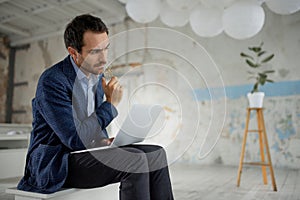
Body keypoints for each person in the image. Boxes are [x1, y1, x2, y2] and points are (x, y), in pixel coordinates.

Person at [17, 14, 174, 200]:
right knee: (134, 160)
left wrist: (104, 142)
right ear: (74, 53)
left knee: (156, 154)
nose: (104, 59)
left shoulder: (97, 78)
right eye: (94, 52)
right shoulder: (53, 81)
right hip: (58, 163)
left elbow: (90, 129)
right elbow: (74, 138)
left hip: (83, 154)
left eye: (105, 49)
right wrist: (110, 105)